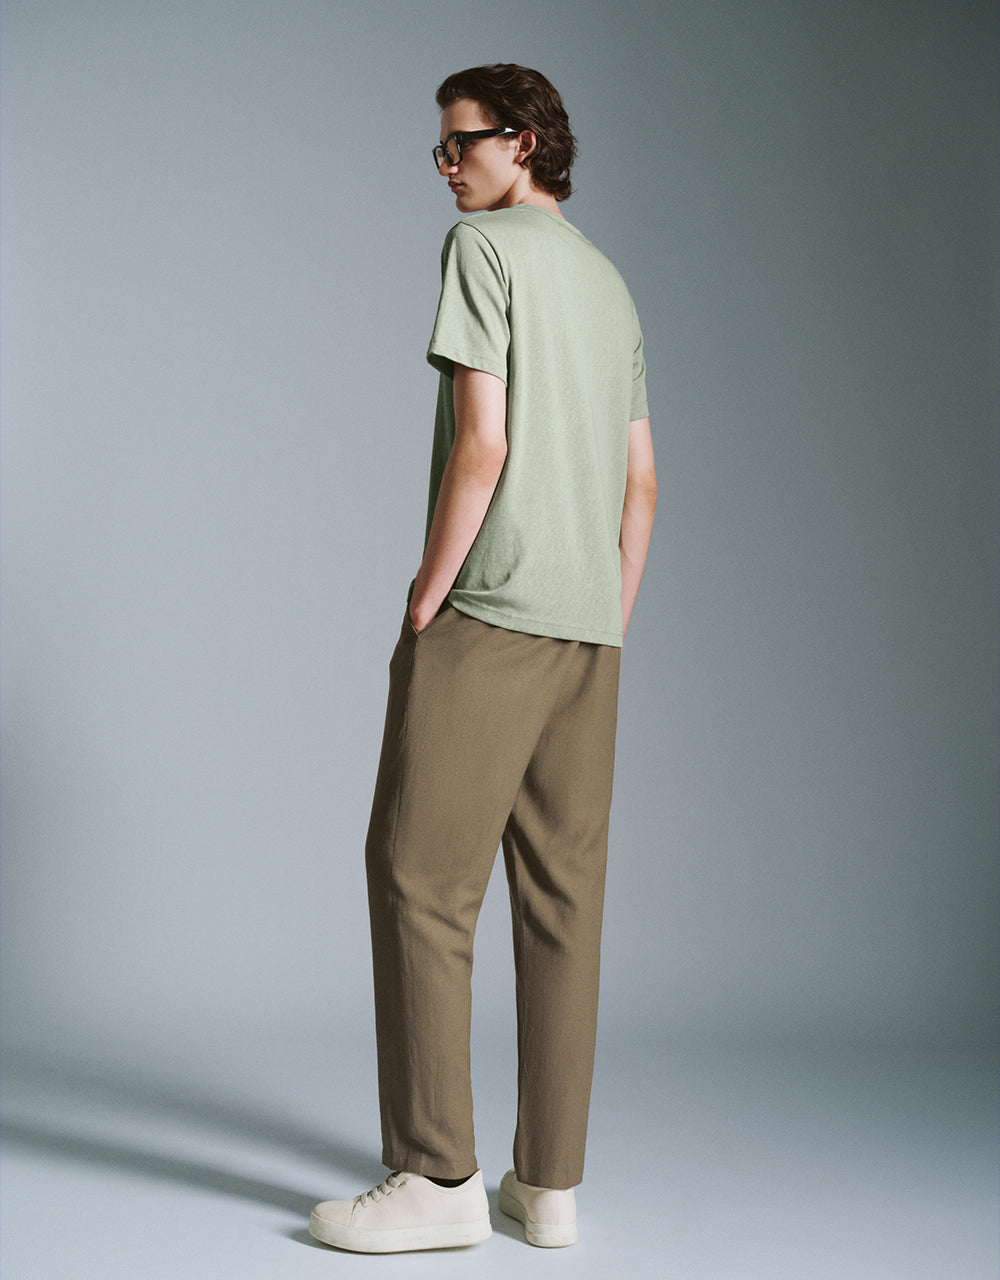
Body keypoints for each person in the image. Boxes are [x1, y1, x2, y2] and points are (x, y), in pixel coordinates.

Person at [308, 63, 656, 1254]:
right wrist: (604, 611)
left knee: (418, 877)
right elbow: (642, 482)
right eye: (441, 147)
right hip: (586, 631)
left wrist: (429, 589)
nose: (446, 165)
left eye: (462, 142)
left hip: (490, 612)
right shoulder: (607, 283)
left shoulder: (482, 251)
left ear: (525, 143)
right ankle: (546, 1186)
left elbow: (483, 443)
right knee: (564, 899)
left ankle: (436, 1175)